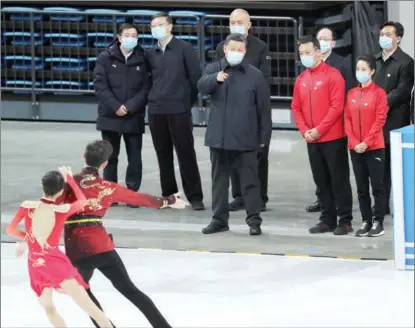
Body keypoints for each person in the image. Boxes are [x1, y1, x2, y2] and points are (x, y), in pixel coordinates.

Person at [57, 140, 188, 328]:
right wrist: (168, 201)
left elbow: (52, 204)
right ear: (104, 164)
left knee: (83, 295)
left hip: (77, 250)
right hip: (102, 247)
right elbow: (139, 198)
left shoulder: (69, 182)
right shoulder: (108, 187)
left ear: (83, 157)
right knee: (131, 291)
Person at [6, 167, 113, 328]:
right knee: (92, 310)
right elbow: (83, 202)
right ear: (60, 191)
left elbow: (10, 230)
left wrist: (28, 239)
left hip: (36, 265)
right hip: (56, 265)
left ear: (42, 186)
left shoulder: (26, 206)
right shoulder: (61, 210)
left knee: (49, 309)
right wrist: (70, 179)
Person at [197, 33, 272, 236]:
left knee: (250, 181)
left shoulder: (255, 75)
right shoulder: (213, 69)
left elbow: (263, 109)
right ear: (225, 49)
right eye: (233, 49)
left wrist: (264, 138)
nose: (236, 53)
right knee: (219, 182)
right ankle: (219, 220)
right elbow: (201, 86)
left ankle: (254, 220)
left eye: (240, 50)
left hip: (245, 138)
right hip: (219, 138)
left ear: (245, 51)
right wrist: (216, 79)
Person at [291, 35, 353, 235]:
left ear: (318, 52)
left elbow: (336, 107)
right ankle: (327, 219)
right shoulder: (301, 79)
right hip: (312, 139)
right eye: (301, 53)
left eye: (308, 52)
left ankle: (345, 220)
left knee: (338, 179)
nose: (304, 56)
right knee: (321, 181)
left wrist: (319, 129)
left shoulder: (333, 75)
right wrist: (305, 131)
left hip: (332, 137)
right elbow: (296, 107)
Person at [214, 8, 272, 212]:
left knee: (257, 156)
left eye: (240, 21)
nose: (236, 24)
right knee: (233, 156)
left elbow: (265, 80)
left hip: (253, 108)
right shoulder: (223, 47)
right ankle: (238, 196)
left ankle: (259, 197)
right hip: (231, 109)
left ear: (249, 25)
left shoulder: (260, 47)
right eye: (232, 21)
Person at [146, 12, 204, 211]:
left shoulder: (184, 48)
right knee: (163, 154)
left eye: (160, 24)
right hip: (156, 110)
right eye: (153, 25)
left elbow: (195, 78)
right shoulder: (150, 53)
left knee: (186, 153)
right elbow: (147, 80)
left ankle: (195, 196)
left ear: (170, 26)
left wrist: (186, 102)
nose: (156, 28)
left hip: (179, 109)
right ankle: (169, 195)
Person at [94, 23, 150, 208]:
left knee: (134, 155)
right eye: (127, 35)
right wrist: (116, 106)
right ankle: (110, 192)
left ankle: (132, 193)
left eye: (134, 35)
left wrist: (130, 106)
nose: (131, 38)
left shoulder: (143, 58)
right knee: (110, 156)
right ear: (119, 37)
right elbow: (100, 85)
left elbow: (145, 87)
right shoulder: (105, 57)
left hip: (133, 115)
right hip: (110, 114)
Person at [305, 26, 355, 213]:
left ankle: (340, 206)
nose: (324, 42)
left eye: (327, 39)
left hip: (335, 126)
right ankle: (323, 200)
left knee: (336, 169)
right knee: (320, 168)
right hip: (314, 125)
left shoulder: (341, 64)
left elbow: (346, 95)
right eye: (320, 39)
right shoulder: (310, 66)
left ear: (333, 43)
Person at [345, 54, 389, 237]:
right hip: (355, 149)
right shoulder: (352, 94)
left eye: (364, 69)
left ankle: (378, 222)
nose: (360, 72)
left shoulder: (379, 93)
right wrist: (355, 142)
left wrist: (366, 142)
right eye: (358, 69)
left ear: (372, 71)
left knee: (377, 186)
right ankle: (366, 220)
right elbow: (347, 119)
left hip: (374, 147)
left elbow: (380, 119)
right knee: (362, 188)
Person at [373, 21, 414, 215]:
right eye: (382, 34)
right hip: (374, 121)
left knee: (393, 165)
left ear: (398, 38)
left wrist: (379, 103)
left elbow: (403, 91)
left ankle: (399, 203)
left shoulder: (406, 62)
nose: (384, 38)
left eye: (388, 34)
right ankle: (381, 205)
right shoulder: (375, 60)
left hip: (394, 120)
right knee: (378, 166)